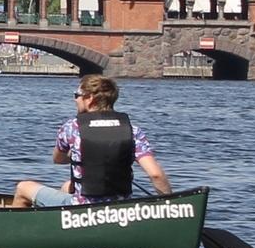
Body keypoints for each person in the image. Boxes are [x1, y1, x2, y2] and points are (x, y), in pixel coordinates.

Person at [11, 74, 169, 207]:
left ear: (89, 99)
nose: (75, 100)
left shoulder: (72, 128)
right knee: (67, 186)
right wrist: (169, 205)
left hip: (83, 208)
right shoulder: (132, 130)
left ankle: (18, 235)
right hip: (120, 207)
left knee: (23, 188)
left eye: (77, 95)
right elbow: (155, 175)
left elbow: (58, 159)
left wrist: (79, 154)